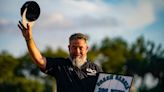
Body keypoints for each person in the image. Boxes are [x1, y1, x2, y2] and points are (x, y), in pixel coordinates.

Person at [18, 21, 102, 92]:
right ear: (69, 48)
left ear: (86, 49)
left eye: (81, 48)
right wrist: (29, 39)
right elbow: (39, 60)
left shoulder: (96, 69)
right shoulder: (60, 65)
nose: (77, 51)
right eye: (74, 47)